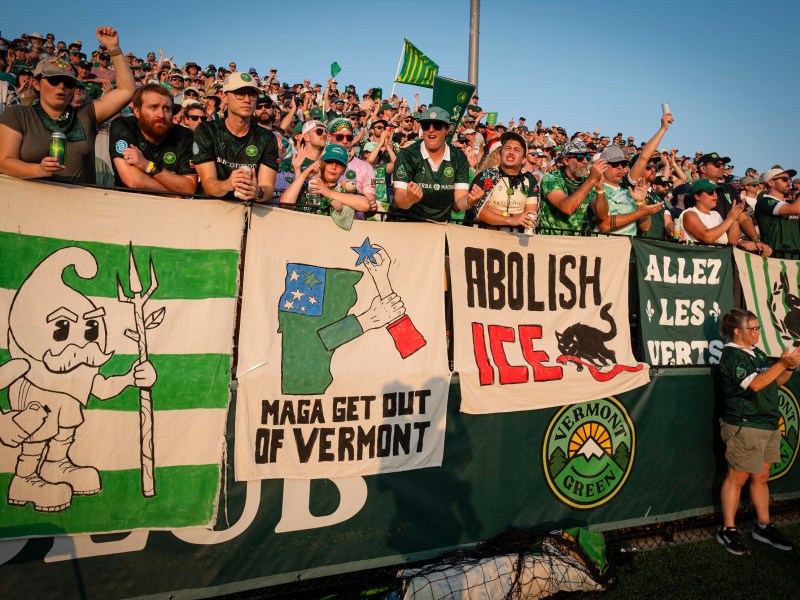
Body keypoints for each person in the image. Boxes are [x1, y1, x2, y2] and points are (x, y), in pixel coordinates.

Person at [0, 26, 134, 184]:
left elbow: (127, 90)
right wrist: (38, 170)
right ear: (36, 84)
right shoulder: (18, 114)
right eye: (54, 80)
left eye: (69, 83)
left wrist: (114, 49)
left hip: (80, 205)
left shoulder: (85, 114)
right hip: (33, 203)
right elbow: (4, 162)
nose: (62, 87)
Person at [716, 308, 800, 556]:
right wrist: (781, 363)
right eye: (753, 329)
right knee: (737, 477)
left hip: (768, 424)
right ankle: (728, 530)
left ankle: (763, 526)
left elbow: (777, 381)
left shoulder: (758, 353)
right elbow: (755, 384)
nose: (757, 332)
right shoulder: (731, 356)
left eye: (758, 328)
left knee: (761, 478)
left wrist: (790, 366)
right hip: (745, 424)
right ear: (737, 331)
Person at [192, 71, 278, 201]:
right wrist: (228, 184)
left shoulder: (266, 138)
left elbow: (267, 188)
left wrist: (257, 192)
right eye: (240, 93)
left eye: (252, 94)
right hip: (210, 208)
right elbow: (208, 184)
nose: (247, 99)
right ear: (224, 97)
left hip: (248, 211)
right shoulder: (207, 131)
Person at [109, 83, 197, 194]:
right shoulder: (124, 126)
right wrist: (173, 195)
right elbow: (132, 180)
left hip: (171, 209)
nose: (161, 115)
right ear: (137, 111)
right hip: (130, 203)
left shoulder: (184, 136)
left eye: (166, 108)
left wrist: (147, 165)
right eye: (153, 107)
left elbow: (189, 187)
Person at [390, 106, 471, 222]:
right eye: (426, 126)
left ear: (447, 129)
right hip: (406, 222)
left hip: (439, 226)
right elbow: (399, 199)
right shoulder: (407, 155)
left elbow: (458, 204)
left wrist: (470, 201)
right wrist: (409, 198)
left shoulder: (458, 158)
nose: (431, 130)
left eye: (437, 126)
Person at [280, 143, 373, 227]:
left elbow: (365, 205)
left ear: (344, 170)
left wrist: (328, 193)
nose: (334, 167)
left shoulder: (344, 189)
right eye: (329, 162)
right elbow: (285, 204)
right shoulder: (308, 185)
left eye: (339, 164)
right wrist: (304, 174)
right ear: (321, 163)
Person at [696, 152, 771, 256]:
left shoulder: (729, 188)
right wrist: (739, 241)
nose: (722, 167)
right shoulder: (694, 191)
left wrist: (756, 240)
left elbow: (743, 217)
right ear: (703, 169)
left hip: (731, 248)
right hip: (708, 250)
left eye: (723, 165)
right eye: (717, 165)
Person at [466, 131, 537, 231]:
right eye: (507, 148)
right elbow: (481, 213)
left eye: (517, 150)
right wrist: (511, 219)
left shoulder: (530, 179)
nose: (511, 153)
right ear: (500, 154)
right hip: (486, 237)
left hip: (517, 238)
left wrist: (496, 213)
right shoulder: (488, 175)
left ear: (524, 159)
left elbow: (530, 216)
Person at [537, 139, 608, 235]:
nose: (585, 161)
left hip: (577, 243)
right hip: (552, 242)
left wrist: (600, 189)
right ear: (566, 161)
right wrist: (591, 179)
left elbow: (602, 215)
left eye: (587, 156)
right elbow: (567, 208)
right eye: (580, 157)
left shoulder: (587, 181)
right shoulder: (551, 178)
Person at [595, 146, 662, 236]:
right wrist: (639, 213)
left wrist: (641, 202)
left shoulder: (628, 192)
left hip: (628, 247)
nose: (620, 168)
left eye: (623, 164)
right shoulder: (594, 188)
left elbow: (645, 227)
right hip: (606, 247)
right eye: (615, 164)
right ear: (602, 166)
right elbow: (605, 225)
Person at [681, 179, 742, 245]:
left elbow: (733, 241)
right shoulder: (689, 214)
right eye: (710, 192)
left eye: (717, 192)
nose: (715, 195)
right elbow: (707, 238)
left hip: (720, 254)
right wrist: (730, 219)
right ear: (697, 196)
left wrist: (735, 218)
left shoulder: (716, 214)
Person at [754, 166, 800, 251]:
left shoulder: (790, 203)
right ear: (771, 183)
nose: (789, 181)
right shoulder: (764, 202)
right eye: (785, 179)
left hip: (795, 257)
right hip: (776, 257)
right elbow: (796, 209)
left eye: (789, 179)